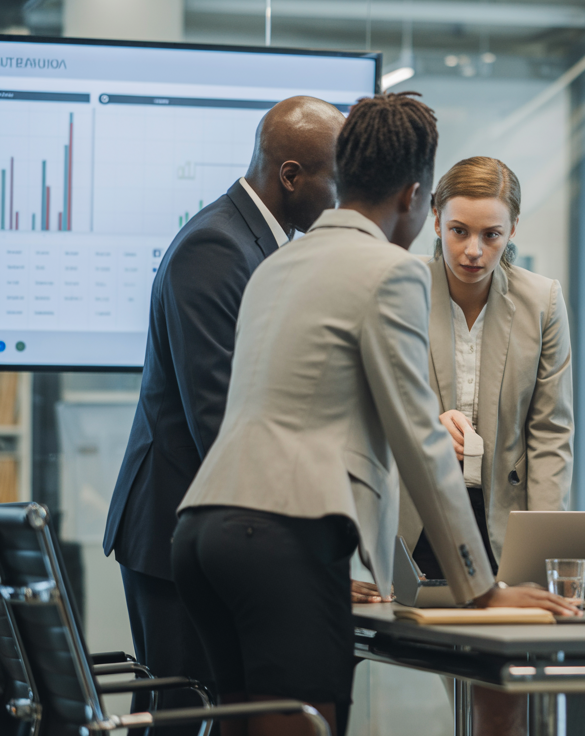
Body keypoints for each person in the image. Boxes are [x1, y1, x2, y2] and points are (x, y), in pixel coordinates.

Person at [170, 92, 577, 736]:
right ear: (417, 198)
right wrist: (482, 591)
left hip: (202, 535)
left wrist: (357, 567)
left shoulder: (278, 263)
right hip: (279, 541)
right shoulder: (391, 272)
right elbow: (417, 438)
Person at [101, 95, 345, 733]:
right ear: (291, 176)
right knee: (178, 716)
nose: (343, 198)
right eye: (336, 179)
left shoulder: (254, 242)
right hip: (177, 526)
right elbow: (218, 417)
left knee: (215, 710)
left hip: (210, 525)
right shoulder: (216, 246)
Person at [401, 155, 572, 580]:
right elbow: (361, 406)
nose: (473, 251)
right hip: (413, 512)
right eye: (459, 231)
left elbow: (550, 431)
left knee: (503, 644)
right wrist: (424, 426)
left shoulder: (542, 302)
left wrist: (545, 543)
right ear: (437, 221)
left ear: (512, 229)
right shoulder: (398, 290)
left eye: (491, 235)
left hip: (503, 519)